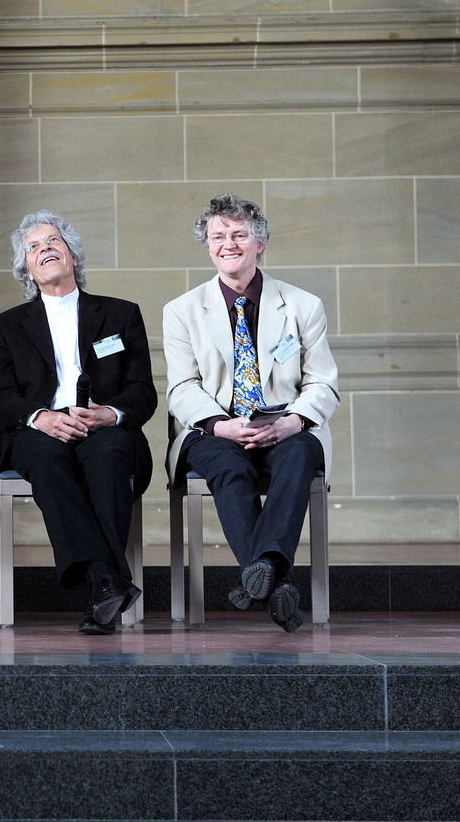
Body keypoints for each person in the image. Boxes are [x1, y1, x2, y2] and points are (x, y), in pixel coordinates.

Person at [163, 194, 340, 632]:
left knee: (298, 456)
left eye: (239, 234)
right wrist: (220, 425)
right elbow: (181, 387)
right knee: (227, 465)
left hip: (286, 423)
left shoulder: (303, 305)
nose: (228, 243)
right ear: (207, 245)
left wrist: (292, 421)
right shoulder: (182, 311)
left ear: (259, 244)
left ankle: (260, 574)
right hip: (214, 428)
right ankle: (273, 577)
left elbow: (323, 382)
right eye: (218, 236)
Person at [0, 210, 157, 634]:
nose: (44, 249)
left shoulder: (121, 314)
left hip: (102, 426)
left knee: (109, 454)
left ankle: (103, 584)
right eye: (33, 246)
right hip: (38, 430)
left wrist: (108, 414)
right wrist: (40, 417)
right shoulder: (5, 326)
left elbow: (142, 391)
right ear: (26, 268)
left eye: (53, 241)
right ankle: (105, 580)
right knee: (44, 460)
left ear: (73, 256)